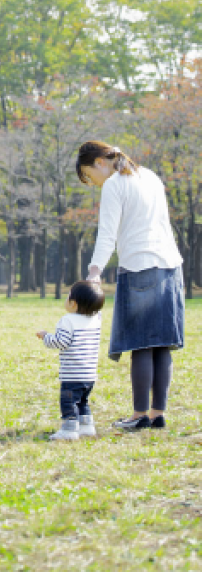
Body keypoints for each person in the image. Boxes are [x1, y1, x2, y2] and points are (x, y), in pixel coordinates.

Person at [76, 141, 184, 431]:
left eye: (89, 175)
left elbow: (107, 234)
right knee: (162, 345)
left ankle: (138, 416)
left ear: (100, 162)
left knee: (141, 344)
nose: (93, 182)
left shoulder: (115, 183)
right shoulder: (149, 175)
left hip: (140, 266)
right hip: (171, 266)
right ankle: (156, 414)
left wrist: (94, 271)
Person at [37, 281, 105, 441]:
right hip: (89, 374)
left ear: (73, 304)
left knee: (69, 402)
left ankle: (69, 430)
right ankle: (87, 427)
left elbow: (60, 342)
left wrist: (45, 336)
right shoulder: (96, 319)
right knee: (83, 401)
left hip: (72, 374)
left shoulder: (68, 320)